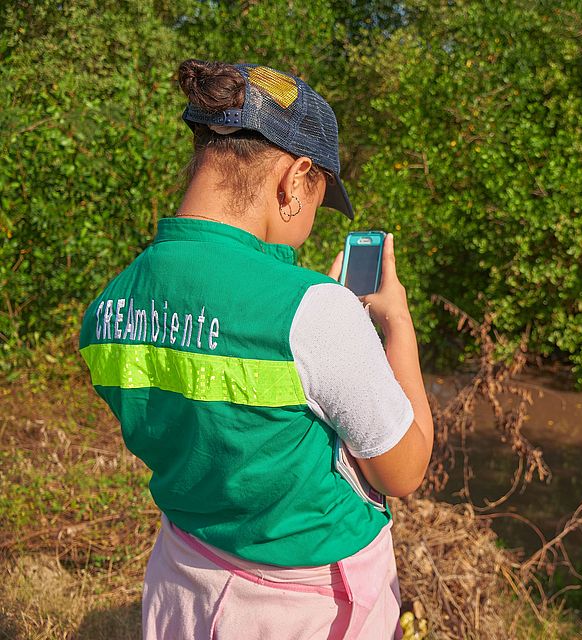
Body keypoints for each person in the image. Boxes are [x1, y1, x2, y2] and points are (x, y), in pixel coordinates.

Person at [78, 59, 433, 639]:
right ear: (294, 179)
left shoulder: (112, 305)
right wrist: (396, 325)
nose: (312, 219)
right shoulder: (317, 311)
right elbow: (405, 469)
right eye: (319, 200)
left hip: (183, 579)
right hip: (308, 605)